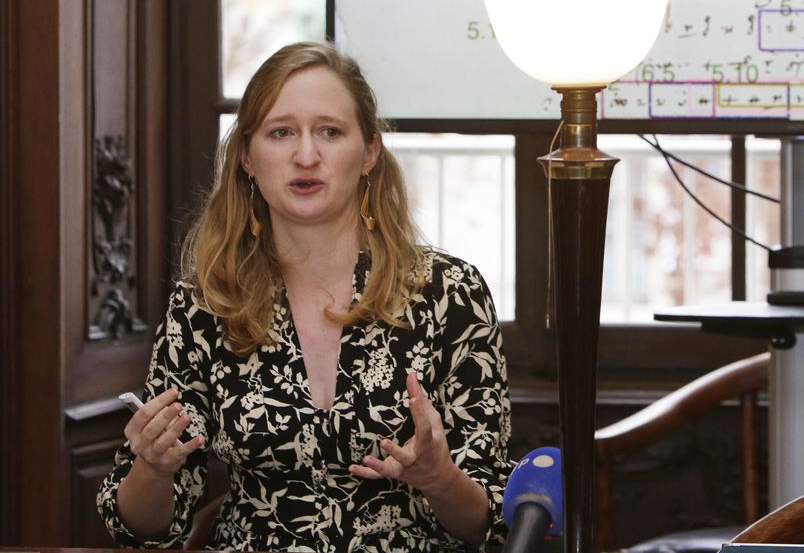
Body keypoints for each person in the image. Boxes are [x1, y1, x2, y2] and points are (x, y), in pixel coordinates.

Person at [97, 42, 511, 551]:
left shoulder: (451, 293)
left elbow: (487, 525)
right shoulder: (207, 303)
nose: (306, 155)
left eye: (330, 132)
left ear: (370, 153)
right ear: (248, 157)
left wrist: (439, 477)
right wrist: (154, 468)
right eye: (281, 132)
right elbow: (141, 526)